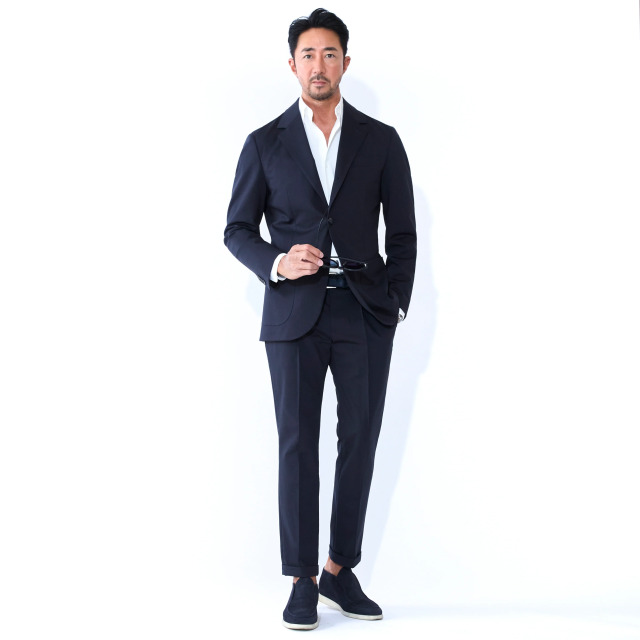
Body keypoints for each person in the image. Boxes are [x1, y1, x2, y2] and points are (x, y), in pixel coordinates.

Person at [224, 8, 416, 630]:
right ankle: (302, 580)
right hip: (294, 314)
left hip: (364, 312)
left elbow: (403, 231)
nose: (318, 65)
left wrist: (395, 302)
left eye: (329, 53)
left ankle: (339, 570)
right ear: (292, 64)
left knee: (360, 439)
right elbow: (236, 230)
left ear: (345, 63)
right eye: (308, 54)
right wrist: (278, 262)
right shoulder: (264, 142)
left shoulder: (381, 140)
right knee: (297, 443)